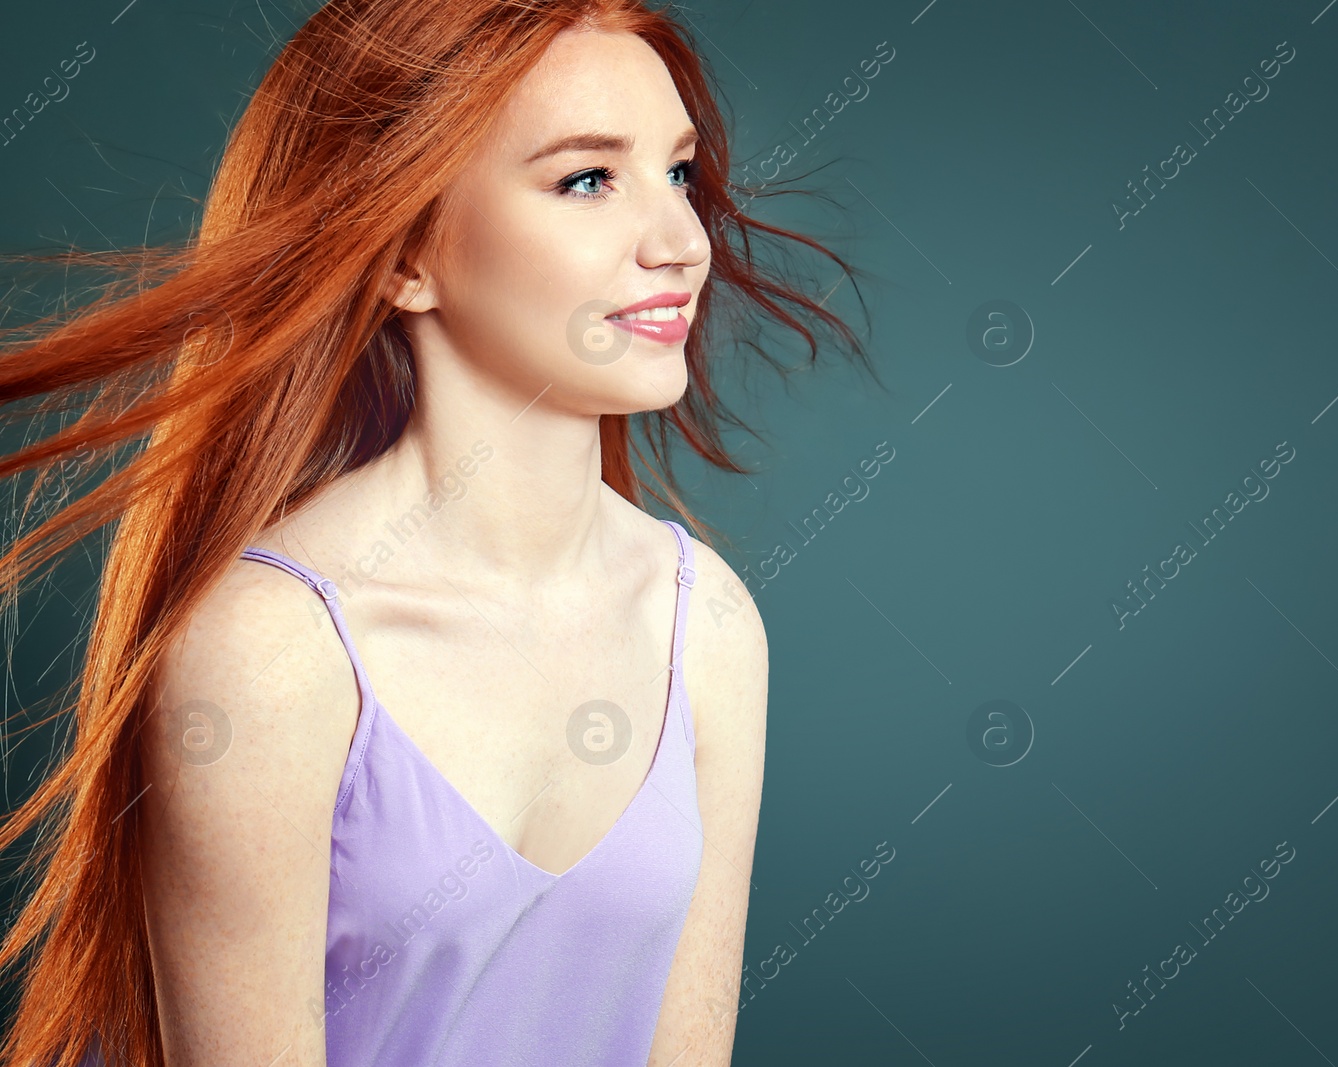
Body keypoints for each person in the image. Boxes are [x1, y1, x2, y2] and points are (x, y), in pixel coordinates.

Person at [0, 1, 873, 1064]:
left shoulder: (710, 625)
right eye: (587, 179)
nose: (682, 242)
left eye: (678, 173)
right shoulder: (274, 653)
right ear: (405, 256)